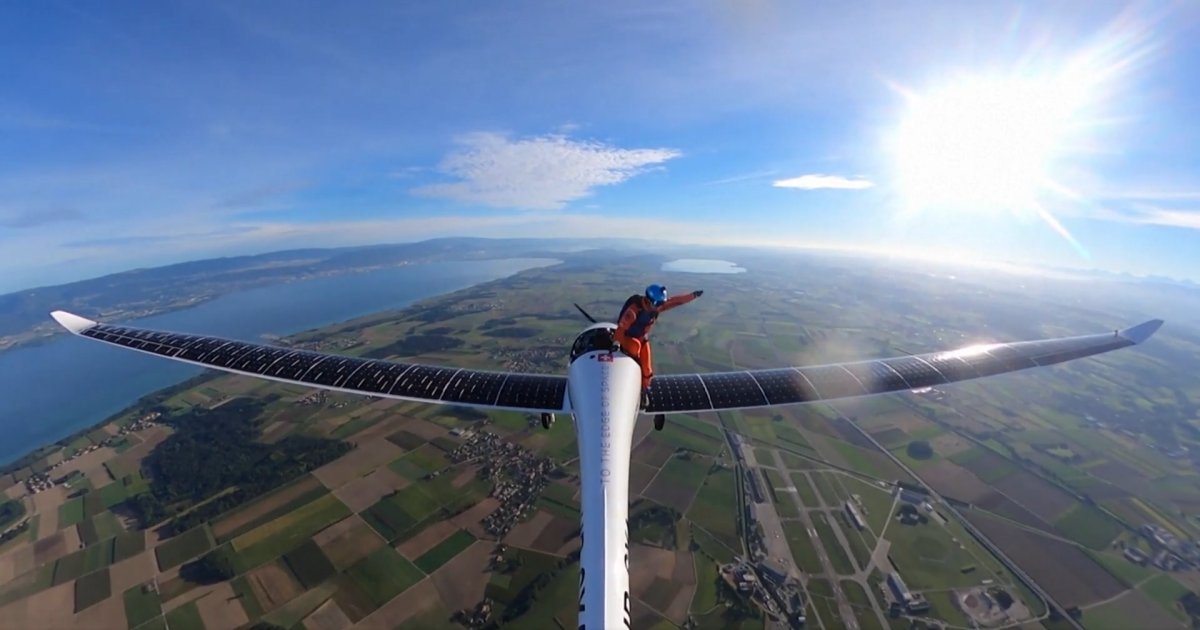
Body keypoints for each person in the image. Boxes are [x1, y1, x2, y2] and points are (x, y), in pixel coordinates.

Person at [614, 284, 703, 407]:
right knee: (635, 348)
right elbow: (621, 329)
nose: (660, 307)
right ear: (650, 301)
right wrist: (616, 344)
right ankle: (630, 379)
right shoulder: (634, 311)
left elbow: (675, 301)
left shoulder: (654, 308)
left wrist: (693, 296)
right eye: (658, 303)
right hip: (627, 339)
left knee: (647, 370)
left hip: (641, 339)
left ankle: (643, 392)